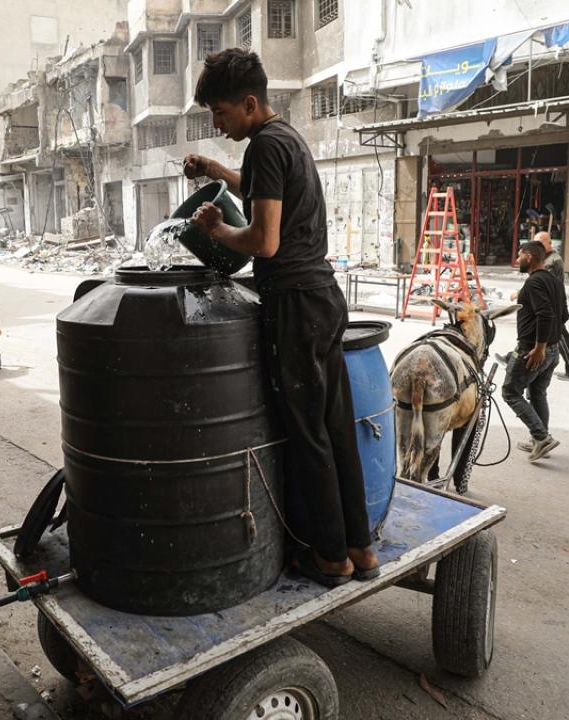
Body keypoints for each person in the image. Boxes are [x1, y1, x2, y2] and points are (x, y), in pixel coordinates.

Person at [184, 49, 377, 587]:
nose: (217, 124)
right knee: (335, 427)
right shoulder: (286, 138)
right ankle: (360, 549)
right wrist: (214, 169)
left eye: (220, 113)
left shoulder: (266, 147)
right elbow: (262, 192)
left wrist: (216, 230)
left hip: (294, 304)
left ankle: (330, 557)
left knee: (306, 433)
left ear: (249, 103)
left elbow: (264, 241)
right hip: (323, 297)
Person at [503, 241, 568, 462]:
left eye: (519, 255)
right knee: (537, 393)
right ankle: (538, 440)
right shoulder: (554, 281)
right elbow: (564, 315)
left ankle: (541, 438)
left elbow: (546, 314)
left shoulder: (533, 283)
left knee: (511, 392)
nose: (517, 260)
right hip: (552, 350)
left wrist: (539, 348)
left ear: (529, 257)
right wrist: (549, 344)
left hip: (532, 351)